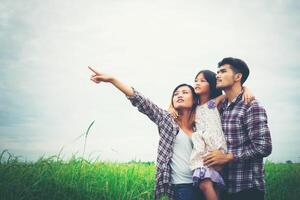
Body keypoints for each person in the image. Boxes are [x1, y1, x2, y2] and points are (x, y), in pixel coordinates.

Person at [88, 66, 203, 200]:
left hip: (202, 184)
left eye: (184, 92)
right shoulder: (166, 120)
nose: (179, 95)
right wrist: (113, 80)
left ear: (194, 99)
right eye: (176, 94)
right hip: (182, 187)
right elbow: (140, 100)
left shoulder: (199, 126)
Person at [170, 70, 254, 200]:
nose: (197, 83)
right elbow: (178, 107)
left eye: (202, 81)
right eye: (196, 80)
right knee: (207, 184)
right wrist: (171, 108)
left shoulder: (215, 102)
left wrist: (246, 88)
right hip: (202, 150)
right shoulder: (194, 108)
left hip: (216, 147)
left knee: (208, 184)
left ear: (212, 84)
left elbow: (234, 92)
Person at [203, 57, 272, 200]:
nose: (218, 75)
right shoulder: (222, 108)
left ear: (238, 76)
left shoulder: (251, 106)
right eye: (217, 72)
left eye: (223, 71)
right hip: (224, 188)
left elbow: (264, 146)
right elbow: (201, 108)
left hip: (246, 188)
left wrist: (228, 157)